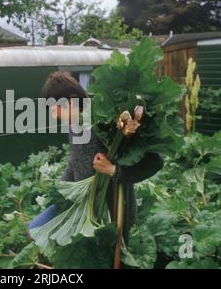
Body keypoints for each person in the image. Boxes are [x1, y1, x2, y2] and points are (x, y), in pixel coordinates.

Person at [28, 70, 164, 240]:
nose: (54, 116)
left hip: (110, 217)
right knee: (33, 230)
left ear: (69, 101)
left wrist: (113, 170)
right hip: (80, 206)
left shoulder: (106, 123)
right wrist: (63, 192)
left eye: (54, 110)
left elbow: (155, 162)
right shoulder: (74, 124)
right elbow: (75, 160)